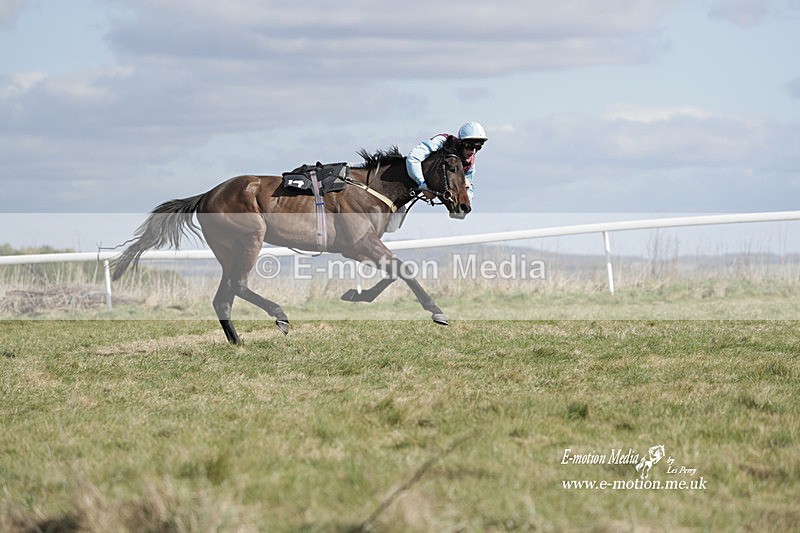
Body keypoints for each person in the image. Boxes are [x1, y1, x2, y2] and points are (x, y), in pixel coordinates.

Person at [406, 121, 488, 200]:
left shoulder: (470, 162)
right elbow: (413, 158)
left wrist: (466, 192)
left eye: (478, 147)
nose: (473, 152)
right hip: (408, 181)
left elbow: (469, 188)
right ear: (461, 142)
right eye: (470, 147)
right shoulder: (442, 141)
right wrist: (423, 185)